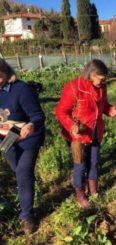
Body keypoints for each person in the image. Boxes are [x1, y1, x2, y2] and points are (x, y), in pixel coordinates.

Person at [55, 59, 116, 209]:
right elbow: (61, 111)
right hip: (79, 135)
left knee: (94, 162)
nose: (103, 81)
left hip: (96, 132)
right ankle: (80, 193)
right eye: (101, 78)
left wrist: (110, 110)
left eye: (104, 79)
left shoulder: (102, 88)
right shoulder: (73, 88)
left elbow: (103, 107)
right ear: (91, 75)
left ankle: (93, 190)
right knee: (80, 166)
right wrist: (72, 126)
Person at [0, 58, 45, 235]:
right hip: (7, 137)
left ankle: (26, 216)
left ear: (5, 71)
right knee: (18, 170)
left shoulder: (22, 89)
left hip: (28, 135)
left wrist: (30, 125)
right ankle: (28, 184)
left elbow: (38, 116)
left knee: (22, 173)